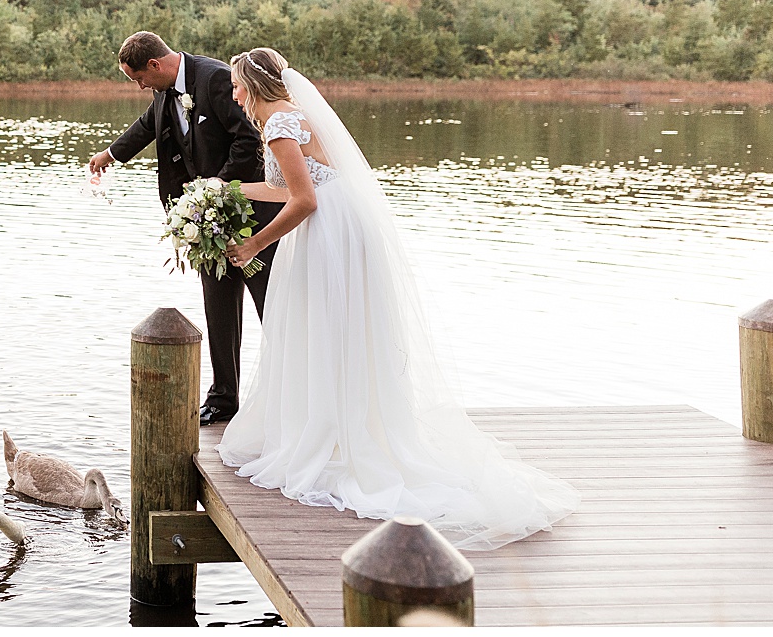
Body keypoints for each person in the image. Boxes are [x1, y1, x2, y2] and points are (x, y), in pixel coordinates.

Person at [215, 47, 578, 549]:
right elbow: (292, 189)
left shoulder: (278, 124)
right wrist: (231, 189)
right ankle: (338, 423)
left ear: (252, 85)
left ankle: (333, 433)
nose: (233, 94)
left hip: (328, 231)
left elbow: (304, 199)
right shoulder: (287, 119)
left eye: (236, 85)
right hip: (335, 224)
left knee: (325, 327)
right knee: (330, 328)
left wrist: (255, 243)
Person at [88, 31, 283, 426]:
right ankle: (224, 399)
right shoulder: (164, 90)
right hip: (205, 224)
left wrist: (217, 192)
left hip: (251, 217)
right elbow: (146, 126)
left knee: (273, 309)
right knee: (219, 309)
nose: (140, 86)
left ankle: (291, 393)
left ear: (155, 66)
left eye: (139, 78)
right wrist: (110, 154)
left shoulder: (213, 78)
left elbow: (248, 140)